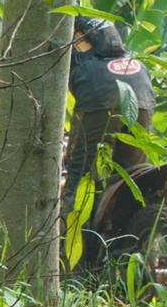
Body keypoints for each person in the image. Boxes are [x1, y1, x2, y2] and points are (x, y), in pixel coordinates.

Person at [62, 17, 157, 223]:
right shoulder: (131, 57)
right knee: (132, 176)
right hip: (141, 89)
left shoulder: (70, 29)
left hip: (99, 92)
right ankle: (130, 230)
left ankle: (67, 239)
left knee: (81, 174)